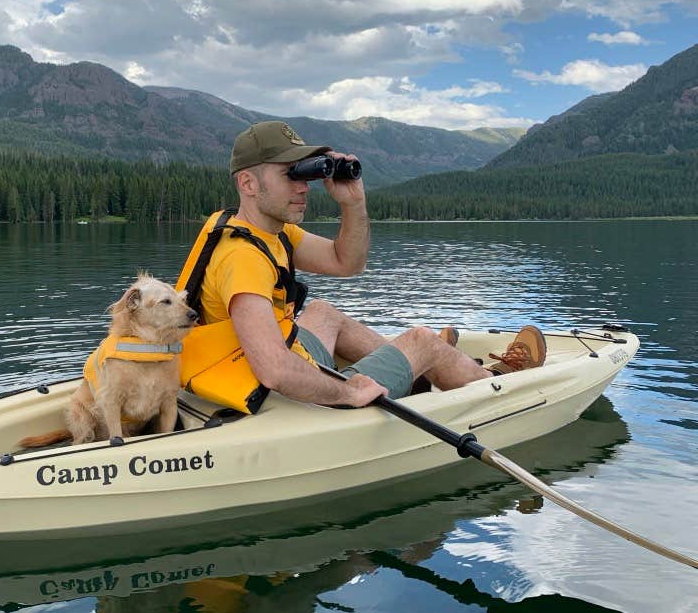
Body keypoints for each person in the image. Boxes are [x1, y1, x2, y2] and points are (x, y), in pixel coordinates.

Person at [175, 120, 546, 412]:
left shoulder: (265, 232)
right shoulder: (243, 258)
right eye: (290, 174)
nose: (304, 186)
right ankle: (492, 379)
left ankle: (415, 371)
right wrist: (347, 391)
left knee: (322, 312)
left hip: (234, 366)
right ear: (248, 183)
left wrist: (353, 203)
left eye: (305, 173)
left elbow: (346, 262)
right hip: (271, 396)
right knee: (422, 341)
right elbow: (274, 368)